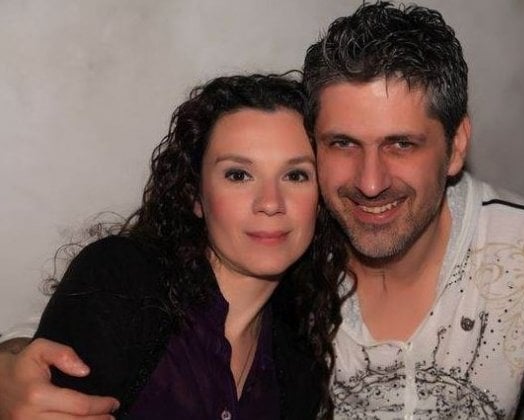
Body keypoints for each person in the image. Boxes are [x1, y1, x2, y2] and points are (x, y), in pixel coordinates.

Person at [2, 2, 524, 419]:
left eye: (401, 144)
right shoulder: (292, 256)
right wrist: (7, 365)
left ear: (456, 146)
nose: (369, 182)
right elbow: (86, 326)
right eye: (342, 145)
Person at [0, 73, 344, 419]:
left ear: (321, 199)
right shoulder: (123, 283)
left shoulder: (299, 364)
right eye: (238, 175)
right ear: (195, 195)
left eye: (296, 175)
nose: (270, 202)